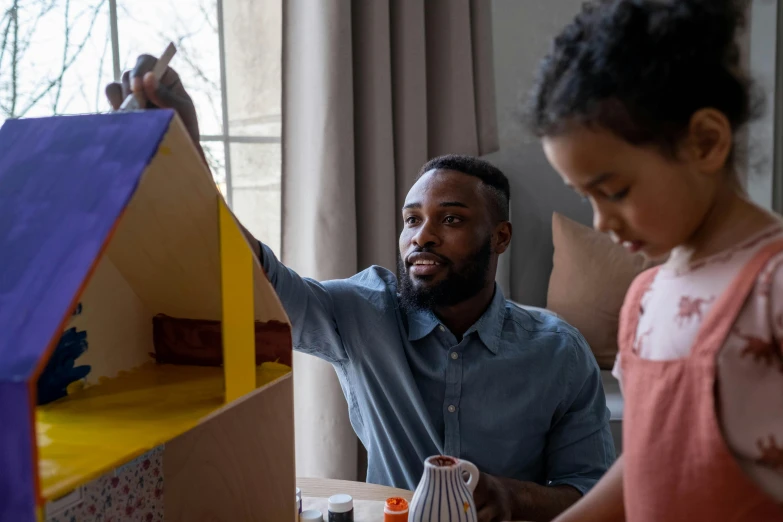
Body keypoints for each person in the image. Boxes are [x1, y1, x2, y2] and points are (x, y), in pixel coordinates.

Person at [105, 58, 614, 522]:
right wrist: (189, 158)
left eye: (451, 219)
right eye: (411, 220)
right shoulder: (362, 311)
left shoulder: (558, 351)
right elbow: (259, 280)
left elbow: (591, 492)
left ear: (499, 237)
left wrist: (509, 496)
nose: (423, 235)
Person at [525, 0, 783, 520]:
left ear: (705, 142)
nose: (601, 221)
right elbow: (644, 461)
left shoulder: (771, 286)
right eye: (586, 197)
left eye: (614, 190)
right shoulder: (645, 297)